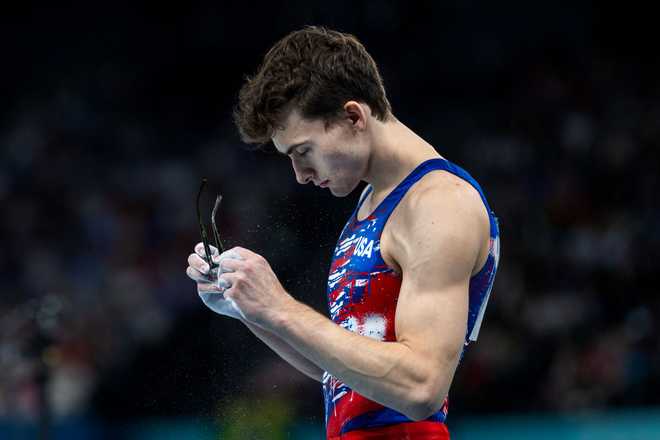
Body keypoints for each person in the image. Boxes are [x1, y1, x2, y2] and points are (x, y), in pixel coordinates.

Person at [186, 26, 500, 440]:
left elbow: (421, 386)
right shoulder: (371, 207)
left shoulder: (439, 204)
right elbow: (342, 372)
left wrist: (279, 306)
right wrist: (250, 309)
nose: (299, 175)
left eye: (303, 151)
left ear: (353, 116)